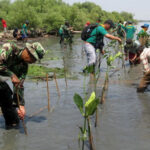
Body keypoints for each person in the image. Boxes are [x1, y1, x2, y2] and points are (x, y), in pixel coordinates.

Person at [0, 42, 46, 129]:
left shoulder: (23, 66)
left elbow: (19, 85)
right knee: (3, 89)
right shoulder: (11, 48)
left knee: (7, 98)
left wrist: (21, 105)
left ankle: (11, 127)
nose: (32, 62)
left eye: (35, 60)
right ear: (27, 51)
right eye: (32, 58)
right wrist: (12, 75)